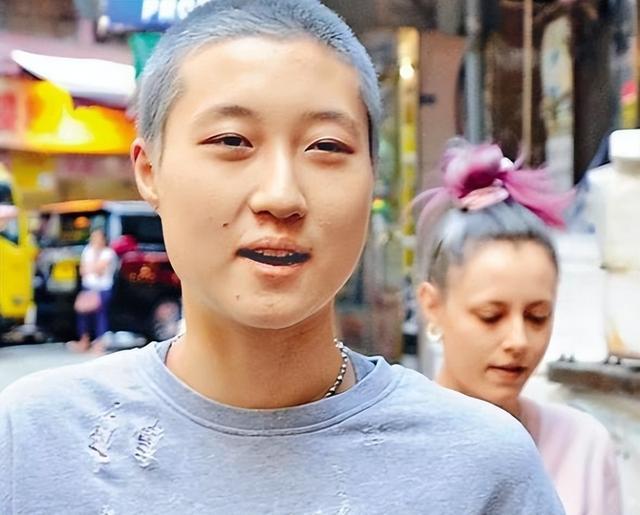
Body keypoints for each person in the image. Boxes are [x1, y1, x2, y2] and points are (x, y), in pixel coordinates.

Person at [0, 2, 565, 513]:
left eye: (326, 146)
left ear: (373, 175)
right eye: (232, 141)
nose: (281, 196)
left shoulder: (479, 467)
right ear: (150, 171)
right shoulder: (34, 441)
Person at [414, 141, 623, 515]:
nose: (518, 341)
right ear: (432, 306)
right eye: (490, 316)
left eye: (537, 317)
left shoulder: (584, 448)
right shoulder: (392, 449)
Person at [67, 226, 117, 353]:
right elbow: (83, 270)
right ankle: (84, 341)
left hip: (102, 289)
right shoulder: (87, 251)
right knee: (83, 314)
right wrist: (92, 267)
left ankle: (99, 343)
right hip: (88, 287)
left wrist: (91, 267)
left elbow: (99, 270)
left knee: (100, 315)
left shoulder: (108, 253)